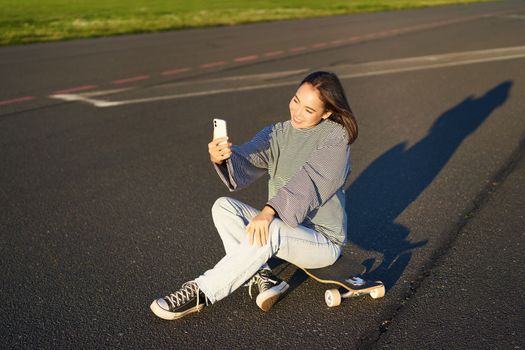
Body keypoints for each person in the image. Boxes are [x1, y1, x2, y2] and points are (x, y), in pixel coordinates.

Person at [150, 71, 358, 320]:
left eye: (309, 110)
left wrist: (269, 212)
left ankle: (201, 292)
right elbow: (248, 156)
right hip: (285, 230)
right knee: (223, 206)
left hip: (321, 241)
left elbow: (310, 181)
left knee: (269, 229)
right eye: (295, 101)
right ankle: (263, 277)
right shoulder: (279, 132)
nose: (297, 113)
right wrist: (223, 156)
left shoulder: (336, 137)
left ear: (326, 113)